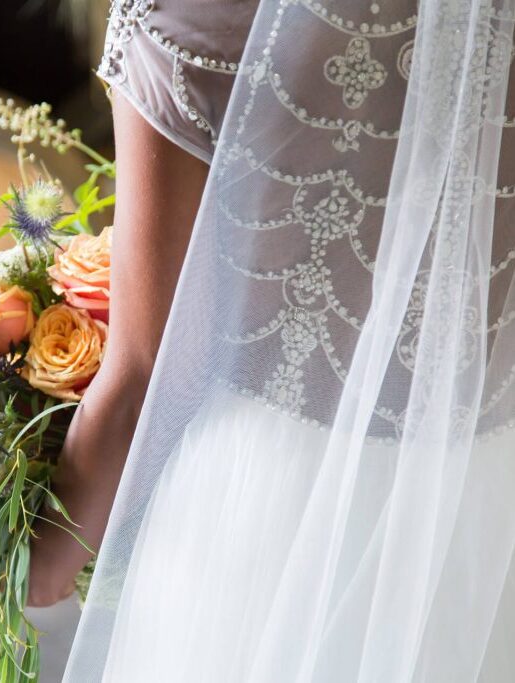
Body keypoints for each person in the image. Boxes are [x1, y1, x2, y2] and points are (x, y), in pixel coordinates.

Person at [31, 1, 515, 681]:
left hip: (262, 504)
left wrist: (41, 545)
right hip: (478, 506)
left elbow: (145, 370)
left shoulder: (175, 13)